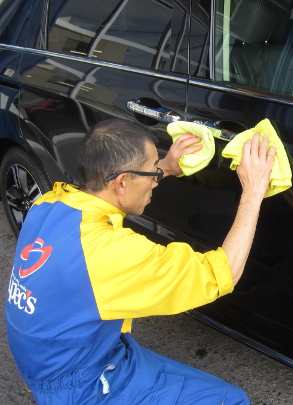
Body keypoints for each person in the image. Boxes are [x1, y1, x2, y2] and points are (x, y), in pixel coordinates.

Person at [5, 118, 275, 404]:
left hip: (46, 358)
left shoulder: (49, 202)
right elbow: (223, 272)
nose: (155, 180)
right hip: (83, 383)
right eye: (151, 172)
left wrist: (168, 167)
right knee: (231, 400)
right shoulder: (110, 252)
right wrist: (253, 192)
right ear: (122, 182)